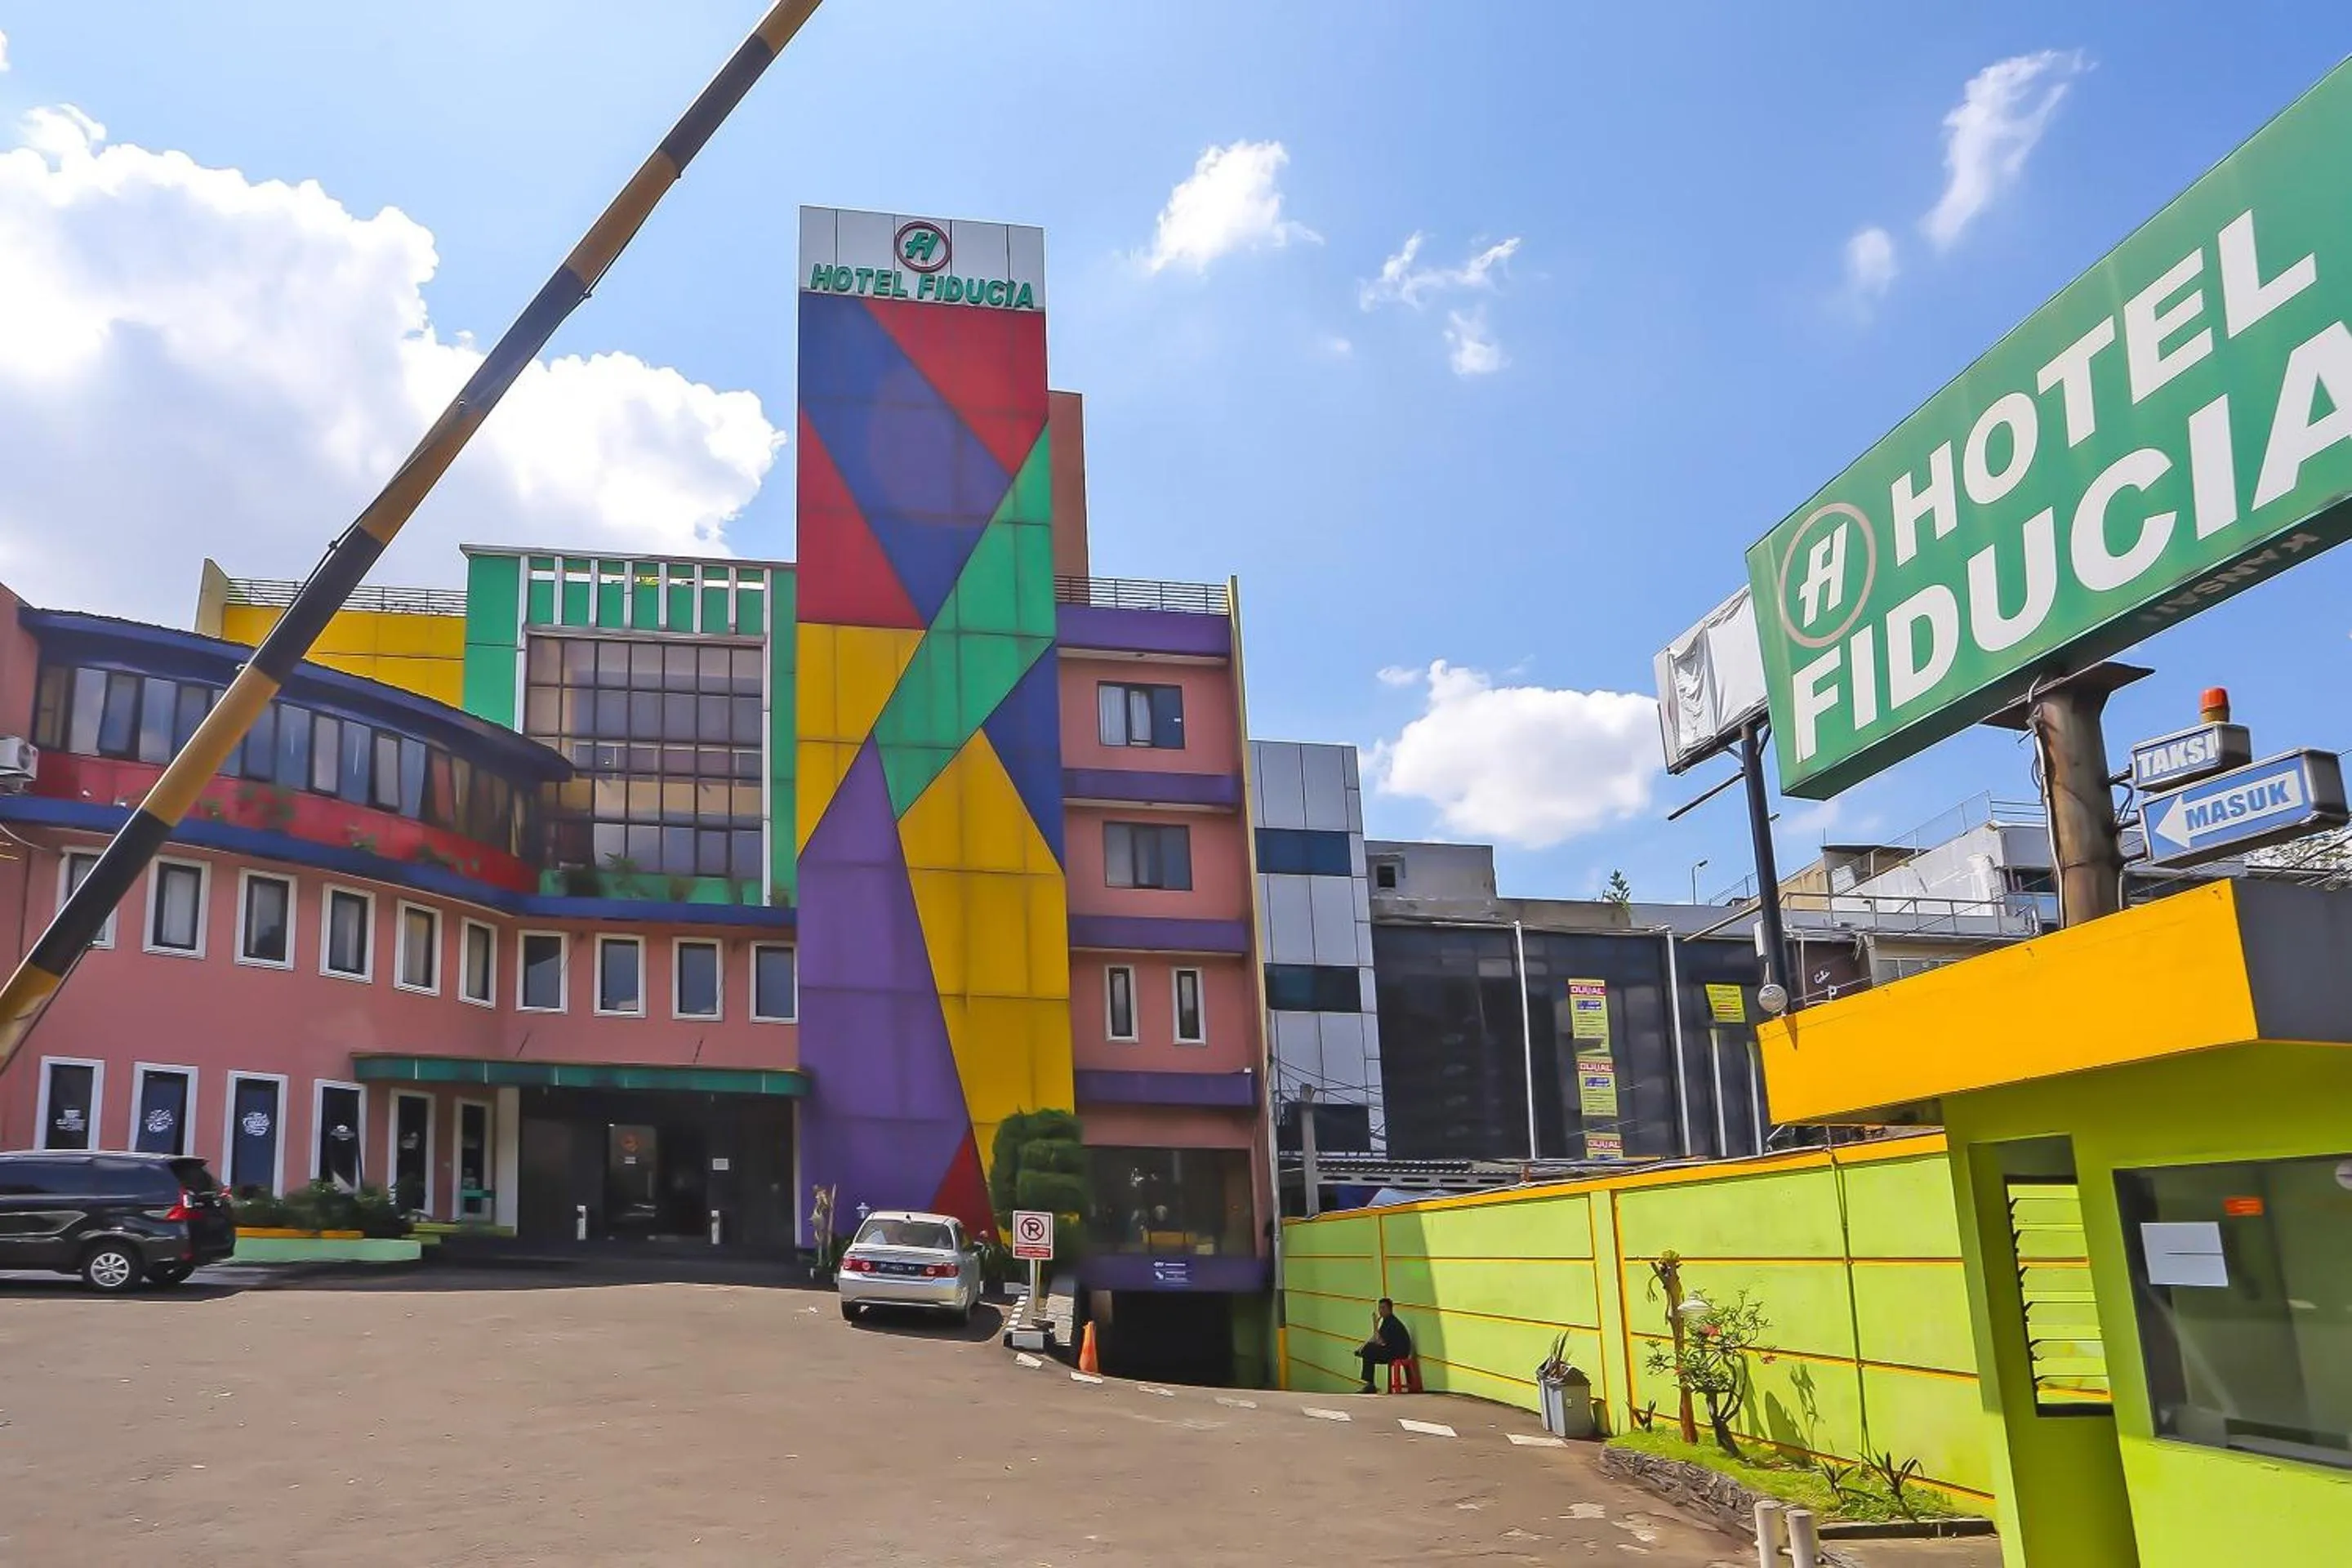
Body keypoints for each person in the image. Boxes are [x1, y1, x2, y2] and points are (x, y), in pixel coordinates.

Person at [1357, 1298, 1414, 1392]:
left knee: (1369, 1351)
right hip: (1393, 1350)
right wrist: (1362, 1348)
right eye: (1379, 1308)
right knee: (1368, 1351)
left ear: (1390, 1309)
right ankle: (1370, 1384)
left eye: (1383, 1308)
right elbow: (1377, 1340)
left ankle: (1370, 1385)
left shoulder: (1392, 1323)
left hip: (1398, 1353)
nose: (1380, 1311)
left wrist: (1375, 1325)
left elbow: (1380, 1342)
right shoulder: (1386, 1321)